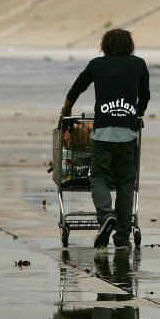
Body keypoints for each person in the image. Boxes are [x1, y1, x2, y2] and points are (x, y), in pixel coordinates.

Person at [61, 28, 150, 250]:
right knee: (125, 184)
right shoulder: (138, 64)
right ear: (129, 45)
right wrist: (137, 113)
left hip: (102, 135)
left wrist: (66, 111)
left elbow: (76, 88)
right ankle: (121, 239)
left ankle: (106, 215)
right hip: (128, 134)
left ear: (106, 45)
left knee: (99, 178)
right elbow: (145, 95)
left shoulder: (97, 65)